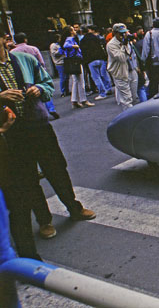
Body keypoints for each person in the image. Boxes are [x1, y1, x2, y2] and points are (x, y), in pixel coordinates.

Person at [0, 28, 95, 258]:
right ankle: (44, 220)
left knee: (56, 168)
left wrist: (39, 89)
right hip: (11, 132)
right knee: (28, 178)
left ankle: (73, 207)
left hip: (38, 125)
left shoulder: (24, 59)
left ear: (5, 39)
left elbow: (47, 82)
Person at [11, 32, 59, 119]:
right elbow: (41, 62)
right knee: (41, 89)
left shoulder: (13, 52)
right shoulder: (33, 48)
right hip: (36, 73)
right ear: (25, 39)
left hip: (24, 76)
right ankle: (51, 108)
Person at [58, 26, 95, 109]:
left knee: (75, 81)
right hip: (76, 61)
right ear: (71, 32)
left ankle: (74, 100)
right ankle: (83, 100)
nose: (75, 31)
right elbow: (66, 45)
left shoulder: (65, 39)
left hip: (70, 61)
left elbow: (61, 50)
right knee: (81, 81)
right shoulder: (70, 39)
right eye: (73, 29)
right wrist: (75, 47)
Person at [107, 23, 139, 110]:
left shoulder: (126, 41)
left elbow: (132, 55)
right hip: (120, 73)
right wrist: (124, 44)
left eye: (124, 32)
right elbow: (121, 58)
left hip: (131, 70)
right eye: (121, 33)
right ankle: (130, 120)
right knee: (127, 100)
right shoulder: (111, 45)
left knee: (134, 97)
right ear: (115, 33)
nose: (123, 35)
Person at [80, 25, 112, 100]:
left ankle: (102, 93)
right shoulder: (97, 37)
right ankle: (108, 88)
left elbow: (83, 52)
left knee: (96, 77)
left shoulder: (83, 40)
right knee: (103, 74)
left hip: (91, 60)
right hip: (101, 58)